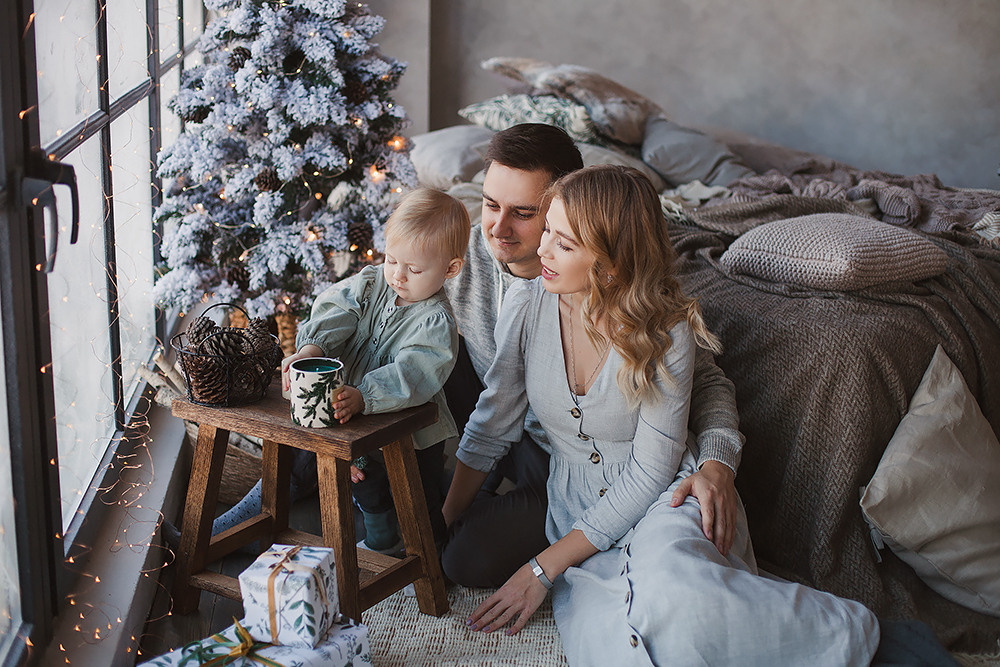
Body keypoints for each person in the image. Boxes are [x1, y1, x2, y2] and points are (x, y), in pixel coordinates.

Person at [445, 164, 879, 665]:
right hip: (574, 508)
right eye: (546, 232)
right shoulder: (525, 304)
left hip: (665, 498)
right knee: (616, 644)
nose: (539, 250)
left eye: (562, 243)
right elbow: (493, 420)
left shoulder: (663, 330)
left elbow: (653, 469)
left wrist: (540, 570)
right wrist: (448, 516)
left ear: (609, 264)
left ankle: (851, 633)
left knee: (681, 596)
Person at [440, 123, 744, 587]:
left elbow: (704, 387)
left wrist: (717, 460)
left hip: (592, 460)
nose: (499, 229)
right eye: (489, 204)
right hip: (529, 439)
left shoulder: (651, 312)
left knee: (671, 584)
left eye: (524, 213)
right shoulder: (466, 255)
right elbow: (378, 295)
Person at [207, 188, 470, 554]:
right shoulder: (372, 282)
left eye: (413, 269)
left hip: (409, 431)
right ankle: (226, 532)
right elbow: (338, 310)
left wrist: (366, 396)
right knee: (325, 466)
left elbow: (413, 373)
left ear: (451, 269)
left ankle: (432, 565)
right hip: (347, 409)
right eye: (392, 259)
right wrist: (313, 348)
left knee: (416, 501)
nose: (397, 275)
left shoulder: (435, 321)